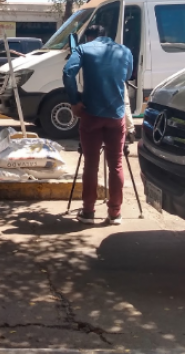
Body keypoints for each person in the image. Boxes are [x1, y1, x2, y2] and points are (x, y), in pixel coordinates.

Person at [62, 24, 133, 225]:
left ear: (90, 37)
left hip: (91, 114)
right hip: (116, 115)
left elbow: (68, 73)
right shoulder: (124, 51)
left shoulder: (83, 49)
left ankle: (88, 211)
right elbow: (127, 76)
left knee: (91, 165)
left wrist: (75, 101)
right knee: (116, 164)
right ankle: (115, 213)